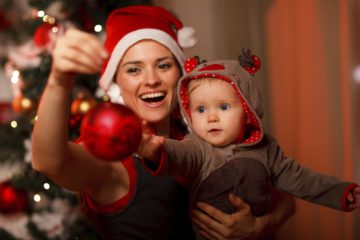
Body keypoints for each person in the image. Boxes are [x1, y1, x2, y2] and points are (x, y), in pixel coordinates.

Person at [32, 5, 295, 240]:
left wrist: (259, 226)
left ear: (181, 74)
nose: (151, 80)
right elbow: (49, 161)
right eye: (134, 69)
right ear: (116, 81)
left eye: (163, 66)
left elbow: (283, 198)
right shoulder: (112, 160)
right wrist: (59, 81)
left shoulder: (208, 130)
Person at [139, 54, 360, 237]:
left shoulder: (267, 149)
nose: (211, 118)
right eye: (201, 109)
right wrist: (155, 150)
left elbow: (302, 179)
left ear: (247, 112)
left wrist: (341, 192)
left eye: (223, 107)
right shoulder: (198, 147)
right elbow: (179, 155)